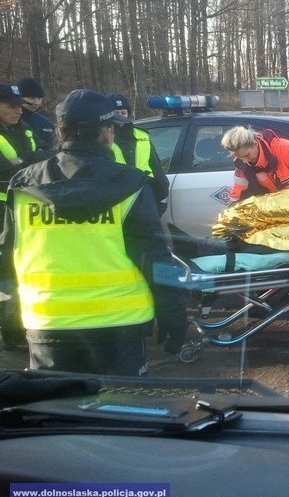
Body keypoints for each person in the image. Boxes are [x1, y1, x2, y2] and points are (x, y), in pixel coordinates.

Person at [0, 89, 189, 376]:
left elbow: (8, 255)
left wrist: (12, 317)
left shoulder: (25, 185)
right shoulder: (130, 183)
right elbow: (154, 256)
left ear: (61, 132)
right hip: (120, 324)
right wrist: (173, 312)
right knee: (120, 413)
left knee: (59, 414)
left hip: (47, 322)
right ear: (106, 133)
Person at [0, 83, 45, 351]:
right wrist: (26, 164)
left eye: (19, 106)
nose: (18, 111)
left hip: (26, 211)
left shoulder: (26, 129)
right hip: (2, 213)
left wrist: (21, 165)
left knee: (27, 269)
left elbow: (43, 159)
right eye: (10, 106)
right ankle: (12, 333)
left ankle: (27, 325)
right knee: (6, 275)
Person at [221, 125, 289, 201]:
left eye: (247, 155)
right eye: (240, 158)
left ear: (254, 144)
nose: (245, 161)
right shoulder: (242, 164)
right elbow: (238, 193)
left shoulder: (286, 150)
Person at [106, 93, 170, 212]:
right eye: (116, 113)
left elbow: (156, 168)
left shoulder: (142, 135)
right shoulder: (103, 138)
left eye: (123, 113)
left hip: (145, 194)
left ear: (128, 114)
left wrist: (162, 197)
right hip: (117, 198)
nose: (120, 117)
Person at [15, 77, 55, 151]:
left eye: (39, 98)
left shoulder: (47, 123)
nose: (36, 102)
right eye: (31, 98)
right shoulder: (9, 120)